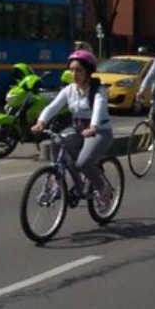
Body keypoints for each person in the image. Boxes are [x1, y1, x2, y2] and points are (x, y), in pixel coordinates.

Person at [31, 50, 114, 212]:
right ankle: (67, 180)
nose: (74, 74)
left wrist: (94, 127)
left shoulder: (98, 91)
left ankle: (104, 189)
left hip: (100, 132)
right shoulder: (69, 90)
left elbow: (98, 108)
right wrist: (41, 122)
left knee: (83, 162)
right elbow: (52, 107)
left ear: (88, 71)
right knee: (57, 140)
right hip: (78, 130)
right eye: (72, 69)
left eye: (79, 70)